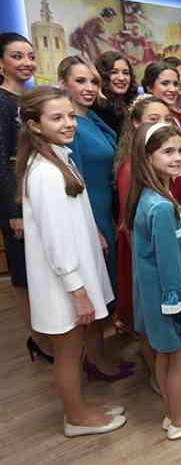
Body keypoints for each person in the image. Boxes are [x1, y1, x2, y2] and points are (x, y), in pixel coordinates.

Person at [17, 86, 126, 437]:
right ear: (35, 125)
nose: (68, 123)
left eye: (69, 116)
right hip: (63, 282)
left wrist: (92, 232)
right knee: (68, 351)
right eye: (57, 118)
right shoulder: (45, 173)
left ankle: (80, 407)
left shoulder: (59, 158)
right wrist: (77, 290)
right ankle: (76, 418)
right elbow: (56, 239)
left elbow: (71, 215)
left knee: (75, 347)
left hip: (73, 274)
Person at [125, 122, 181, 440]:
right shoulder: (161, 207)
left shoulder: (151, 198)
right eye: (168, 152)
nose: (178, 157)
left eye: (179, 150)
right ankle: (179, 419)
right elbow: (168, 265)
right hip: (172, 302)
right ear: (147, 157)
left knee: (165, 357)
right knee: (178, 358)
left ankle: (173, 412)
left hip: (156, 298)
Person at [59, 55, 134, 382]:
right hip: (88, 215)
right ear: (63, 84)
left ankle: (98, 355)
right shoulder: (69, 126)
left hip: (105, 211)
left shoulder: (90, 118)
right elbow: (73, 181)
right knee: (92, 289)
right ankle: (93, 361)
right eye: (80, 81)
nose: (89, 87)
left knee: (103, 288)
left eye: (93, 81)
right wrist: (92, 228)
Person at [0, 33, 53, 362]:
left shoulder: (32, 100)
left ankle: (50, 332)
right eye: (17, 56)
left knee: (42, 268)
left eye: (31, 56)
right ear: (2, 63)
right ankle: (38, 339)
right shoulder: (1, 102)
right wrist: (13, 210)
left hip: (39, 193)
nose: (26, 62)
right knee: (23, 273)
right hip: (15, 199)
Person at [113, 95, 174, 333]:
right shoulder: (132, 168)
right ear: (136, 123)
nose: (162, 124)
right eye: (153, 119)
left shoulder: (160, 161)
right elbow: (131, 224)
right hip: (147, 255)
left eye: (167, 119)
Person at [142, 62, 181, 204]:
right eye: (165, 83)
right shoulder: (143, 118)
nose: (173, 89)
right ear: (149, 87)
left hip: (178, 190)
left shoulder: (174, 119)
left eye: (175, 84)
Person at [93, 51, 138, 136]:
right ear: (102, 76)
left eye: (126, 73)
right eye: (114, 72)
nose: (121, 78)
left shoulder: (128, 104)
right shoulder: (100, 108)